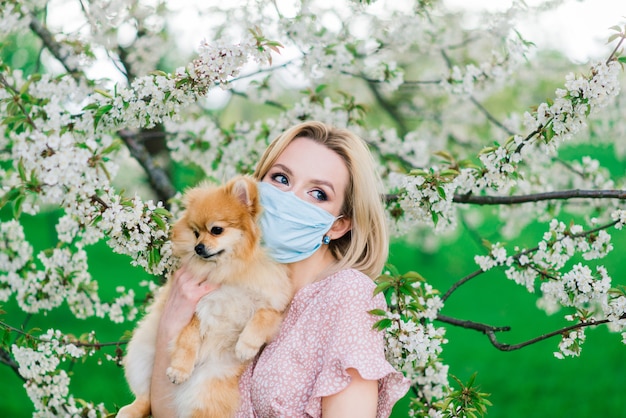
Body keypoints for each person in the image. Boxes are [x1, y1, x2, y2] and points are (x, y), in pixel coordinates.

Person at [149, 121, 410, 417]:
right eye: (281, 179)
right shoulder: (229, 274)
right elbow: (167, 411)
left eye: (318, 194)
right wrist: (170, 326)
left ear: (338, 225)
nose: (289, 198)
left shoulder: (347, 295)